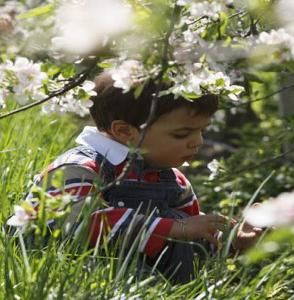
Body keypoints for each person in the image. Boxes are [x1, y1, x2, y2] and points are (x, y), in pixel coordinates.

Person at [17, 71, 262, 283]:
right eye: (182, 134)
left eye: (202, 131)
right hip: (71, 273)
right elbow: (75, 225)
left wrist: (232, 241)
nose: (198, 142)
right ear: (124, 131)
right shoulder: (80, 167)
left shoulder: (173, 180)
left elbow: (192, 240)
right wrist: (176, 228)